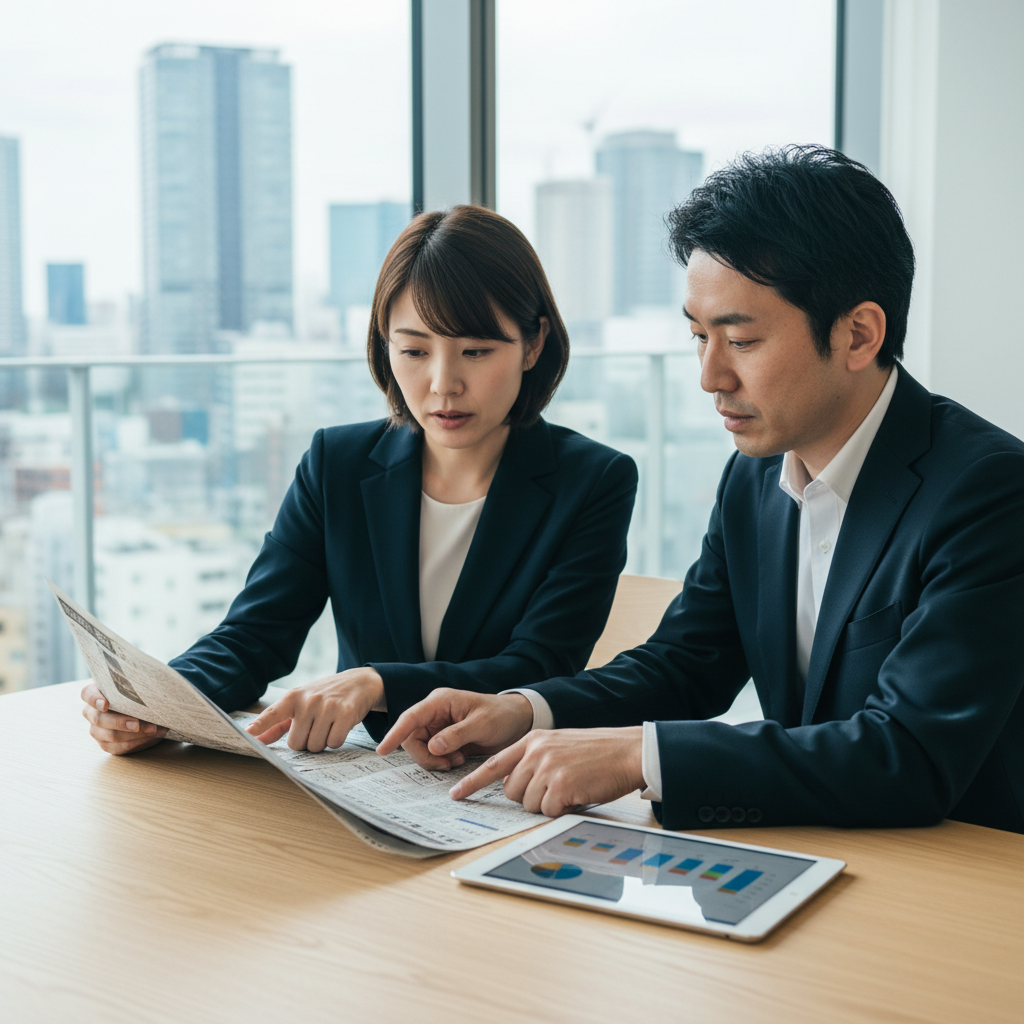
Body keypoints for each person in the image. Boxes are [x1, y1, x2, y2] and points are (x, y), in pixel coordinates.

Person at [379, 146, 1024, 835]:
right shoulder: (754, 474)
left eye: (740, 341)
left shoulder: (989, 493)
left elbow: (908, 756)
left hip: (965, 878)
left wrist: (643, 756)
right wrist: (523, 710)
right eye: (697, 337)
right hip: (818, 848)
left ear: (859, 334)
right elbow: (688, 663)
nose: (710, 377)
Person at [81, 205, 638, 756]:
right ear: (384, 343)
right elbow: (254, 636)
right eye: (415, 350)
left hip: (503, 778)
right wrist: (150, 703)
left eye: (475, 351)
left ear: (533, 344)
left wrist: (376, 682)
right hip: (371, 779)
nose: (444, 384)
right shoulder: (337, 463)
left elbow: (538, 666)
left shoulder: (593, 480)